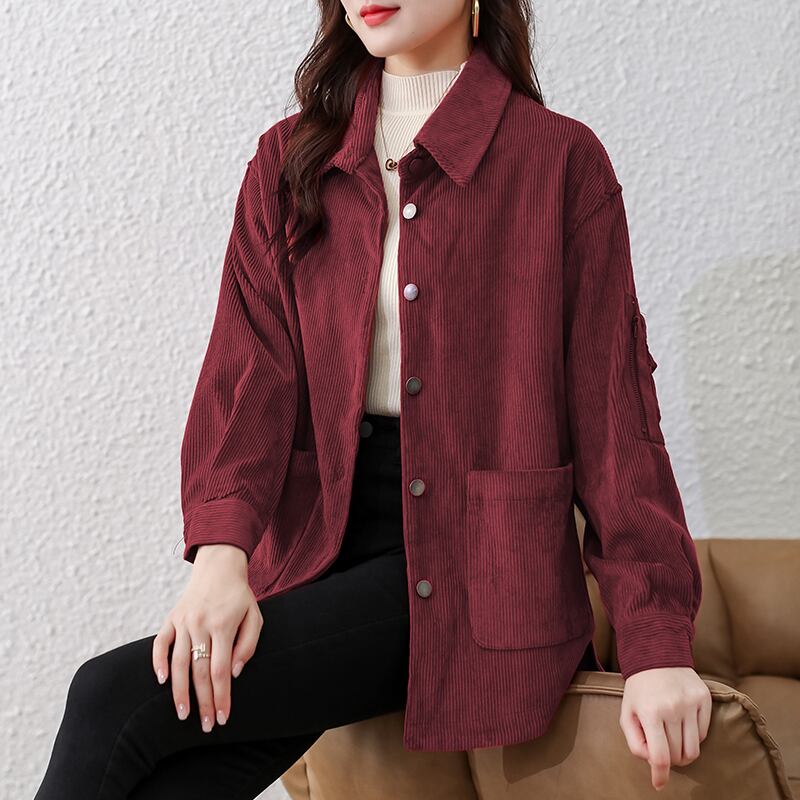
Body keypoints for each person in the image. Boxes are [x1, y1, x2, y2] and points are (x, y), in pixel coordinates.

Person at [34, 1, 713, 797]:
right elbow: (251, 375)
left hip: (472, 570)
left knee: (108, 699)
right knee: (168, 778)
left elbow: (615, 420)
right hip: (316, 543)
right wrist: (221, 560)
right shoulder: (290, 159)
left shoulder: (559, 162)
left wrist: (658, 647)